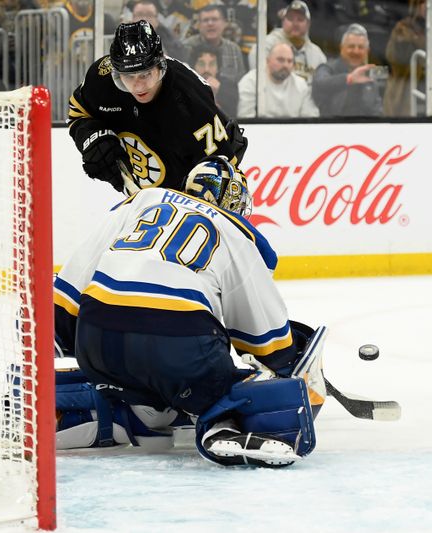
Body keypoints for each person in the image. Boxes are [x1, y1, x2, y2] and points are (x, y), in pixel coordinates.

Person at [52, 156, 324, 466]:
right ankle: (223, 425)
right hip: (177, 351)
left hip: (97, 339)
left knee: (149, 383)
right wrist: (288, 362)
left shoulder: (143, 199)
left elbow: (68, 288)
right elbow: (266, 342)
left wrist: (65, 340)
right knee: (233, 381)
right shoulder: (236, 232)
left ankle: (118, 410)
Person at [68, 20, 247, 193]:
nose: (138, 87)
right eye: (129, 77)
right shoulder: (101, 79)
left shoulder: (189, 98)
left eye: (145, 75)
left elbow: (227, 175)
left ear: (160, 66)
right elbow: (78, 113)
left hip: (189, 189)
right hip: (141, 198)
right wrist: (91, 138)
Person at [312, 23, 383, 117]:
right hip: (332, 127)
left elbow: (376, 110)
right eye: (351, 46)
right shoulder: (327, 68)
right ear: (342, 48)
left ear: (367, 51)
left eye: (361, 47)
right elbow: (320, 83)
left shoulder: (370, 75)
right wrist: (349, 78)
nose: (356, 51)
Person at [238, 42, 319, 118]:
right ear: (267, 61)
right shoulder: (250, 81)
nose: (285, 65)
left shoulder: (301, 85)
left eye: (290, 61)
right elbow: (245, 118)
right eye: (280, 60)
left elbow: (310, 119)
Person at [256, 0, 327, 87]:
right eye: (290, 18)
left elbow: (323, 87)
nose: (295, 23)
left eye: (300, 19)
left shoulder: (318, 55)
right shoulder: (267, 44)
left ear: (308, 24)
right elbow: (258, 76)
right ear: (283, 22)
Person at [184, 5, 247, 82]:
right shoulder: (186, 48)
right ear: (199, 25)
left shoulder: (234, 50)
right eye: (205, 20)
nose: (210, 24)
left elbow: (240, 83)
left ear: (224, 23)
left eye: (215, 19)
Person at [190, 42, 238, 116]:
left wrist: (218, 93)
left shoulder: (229, 88)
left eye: (212, 64)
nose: (206, 69)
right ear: (193, 67)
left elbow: (232, 121)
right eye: (201, 64)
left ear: (218, 68)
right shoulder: (185, 86)